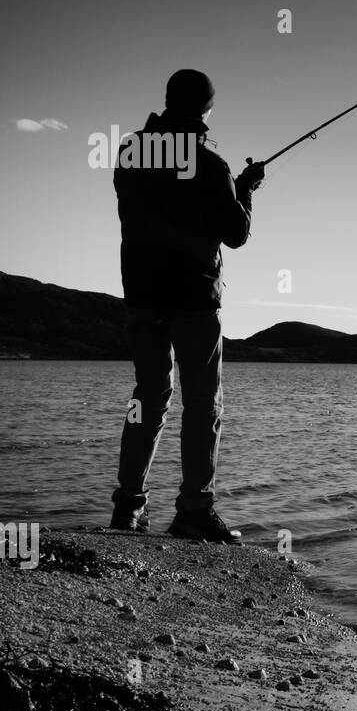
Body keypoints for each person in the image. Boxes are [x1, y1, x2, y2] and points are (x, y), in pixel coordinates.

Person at [108, 69, 265, 543]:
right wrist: (245, 192)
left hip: (140, 293)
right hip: (193, 297)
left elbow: (149, 209)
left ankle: (128, 510)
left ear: (168, 100)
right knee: (201, 402)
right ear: (205, 110)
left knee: (148, 397)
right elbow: (235, 235)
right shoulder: (210, 164)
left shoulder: (131, 152)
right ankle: (195, 509)